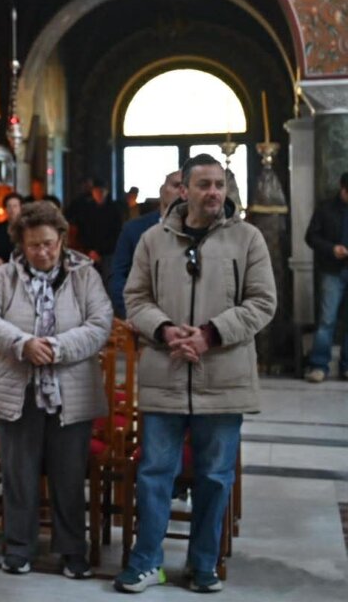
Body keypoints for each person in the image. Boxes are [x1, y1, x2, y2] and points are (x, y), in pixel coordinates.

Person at [116, 154, 276, 594]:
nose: (214, 193)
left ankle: (203, 563)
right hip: (165, 372)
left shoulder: (248, 239)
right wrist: (165, 330)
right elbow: (135, 298)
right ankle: (147, 562)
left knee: (214, 476)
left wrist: (210, 334)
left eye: (219, 184)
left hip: (222, 375)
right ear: (184, 190)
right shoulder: (153, 239)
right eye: (204, 184)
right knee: (155, 473)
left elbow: (262, 302)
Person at [0, 201, 111, 578]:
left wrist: (56, 347)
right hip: (17, 389)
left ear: (62, 239)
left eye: (49, 243)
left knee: (69, 474)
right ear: (21, 244)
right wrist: (22, 344)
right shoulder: (3, 277)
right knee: (19, 473)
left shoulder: (85, 275)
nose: (43, 252)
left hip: (71, 389)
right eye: (34, 245)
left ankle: (72, 550)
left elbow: (100, 324)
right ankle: (19, 547)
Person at [108, 171, 183, 319]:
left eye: (187, 187)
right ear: (162, 190)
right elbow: (118, 276)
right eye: (176, 186)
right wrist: (132, 313)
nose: (181, 192)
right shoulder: (134, 229)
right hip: (140, 315)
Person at [303, 170, 348, 382]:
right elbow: (311, 237)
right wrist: (332, 249)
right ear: (342, 189)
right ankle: (319, 365)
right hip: (332, 271)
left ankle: (346, 366)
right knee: (327, 320)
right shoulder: (326, 209)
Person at [67, 177, 123, 281]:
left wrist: (101, 251)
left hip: (108, 253)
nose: (98, 194)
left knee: (107, 280)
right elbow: (83, 231)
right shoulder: (87, 210)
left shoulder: (114, 210)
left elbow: (117, 233)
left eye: (101, 191)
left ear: (106, 192)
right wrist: (90, 250)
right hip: (89, 252)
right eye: (96, 191)